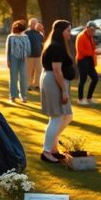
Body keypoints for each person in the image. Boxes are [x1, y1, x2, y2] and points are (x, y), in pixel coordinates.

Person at [39, 20, 75, 163]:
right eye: (68, 31)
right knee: (57, 117)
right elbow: (57, 70)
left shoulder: (57, 46)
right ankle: (47, 151)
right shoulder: (56, 47)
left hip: (53, 81)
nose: (70, 34)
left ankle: (53, 148)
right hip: (54, 82)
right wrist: (64, 91)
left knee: (66, 116)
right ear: (61, 31)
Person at [5, 20, 31, 102]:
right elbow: (8, 50)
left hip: (23, 59)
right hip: (13, 59)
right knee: (13, 78)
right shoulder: (10, 37)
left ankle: (23, 96)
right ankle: (12, 96)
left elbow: (28, 47)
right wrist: (8, 61)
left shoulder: (25, 36)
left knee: (23, 78)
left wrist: (27, 56)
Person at [76, 21, 100, 105]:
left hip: (89, 60)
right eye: (92, 29)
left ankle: (89, 98)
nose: (94, 31)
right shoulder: (81, 36)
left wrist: (95, 51)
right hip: (82, 60)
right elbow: (81, 51)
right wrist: (93, 52)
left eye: (94, 30)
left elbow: (92, 48)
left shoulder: (90, 36)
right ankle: (80, 99)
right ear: (88, 28)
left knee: (95, 78)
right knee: (83, 79)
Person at [25, 18, 45, 91]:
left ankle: (37, 85)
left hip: (38, 55)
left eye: (36, 23)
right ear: (30, 24)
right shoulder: (26, 33)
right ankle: (27, 85)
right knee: (28, 71)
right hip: (28, 56)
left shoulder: (40, 34)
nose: (36, 25)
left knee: (39, 71)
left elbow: (43, 44)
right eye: (34, 23)